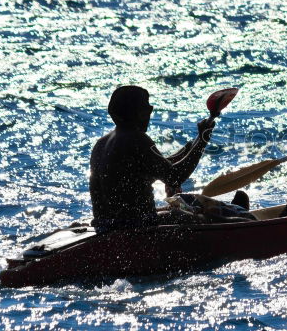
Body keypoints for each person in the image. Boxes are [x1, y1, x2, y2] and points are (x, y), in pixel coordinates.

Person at [89, 85, 215, 232]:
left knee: (175, 208)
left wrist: (194, 143)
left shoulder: (102, 143)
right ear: (136, 113)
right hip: (134, 229)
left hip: (105, 226)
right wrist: (203, 141)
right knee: (196, 217)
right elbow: (175, 177)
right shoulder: (136, 138)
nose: (149, 112)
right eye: (146, 108)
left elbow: (158, 166)